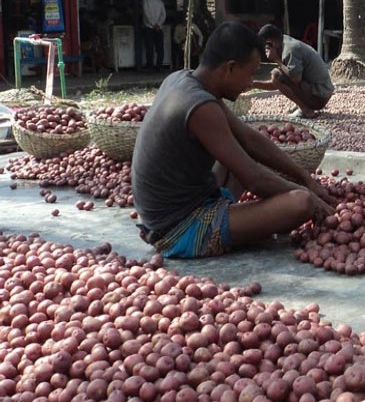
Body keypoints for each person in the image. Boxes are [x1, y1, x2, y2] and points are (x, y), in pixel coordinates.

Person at [131, 22, 336, 259]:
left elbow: (249, 140)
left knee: (246, 153)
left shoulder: (183, 79)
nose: (251, 83)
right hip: (178, 229)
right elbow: (255, 180)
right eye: (249, 74)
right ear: (229, 68)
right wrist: (309, 196)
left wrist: (305, 177)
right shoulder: (202, 108)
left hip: (172, 211)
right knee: (300, 203)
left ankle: (250, 218)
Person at [253, 24, 334, 118]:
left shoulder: (289, 50)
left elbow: (295, 79)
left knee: (276, 74)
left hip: (320, 97)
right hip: (321, 92)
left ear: (271, 43)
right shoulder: (284, 41)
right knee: (278, 76)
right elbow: (278, 83)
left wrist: (276, 60)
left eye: (266, 46)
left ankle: (306, 110)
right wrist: (254, 84)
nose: (265, 50)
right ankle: (304, 106)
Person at [141, 0, 166, 71]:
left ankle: (150, 66)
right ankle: (159, 66)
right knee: (160, 48)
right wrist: (158, 24)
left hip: (149, 27)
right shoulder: (159, 1)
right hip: (159, 28)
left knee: (149, 48)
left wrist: (152, 24)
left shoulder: (145, 0)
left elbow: (146, 13)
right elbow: (163, 14)